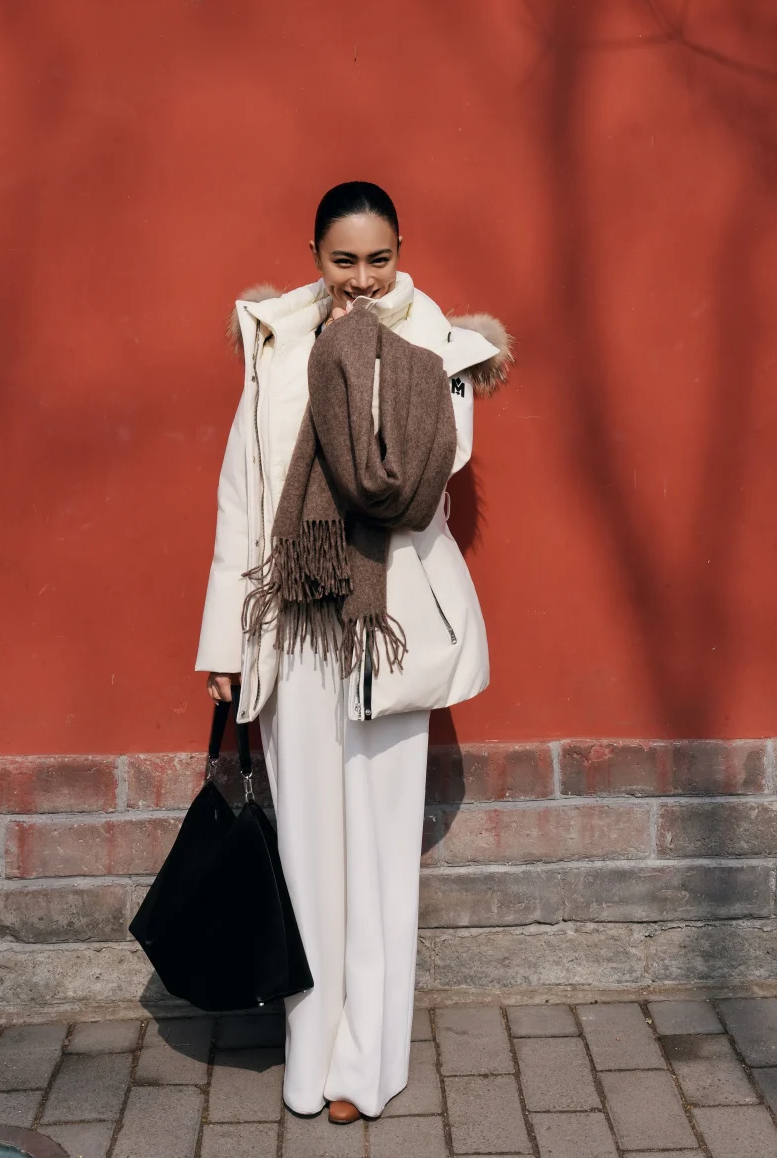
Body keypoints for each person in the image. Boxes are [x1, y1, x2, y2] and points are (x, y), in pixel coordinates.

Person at [195, 182, 511, 1123]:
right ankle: (311, 1056)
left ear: (402, 250)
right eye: (344, 260)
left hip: (386, 630)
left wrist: (355, 356)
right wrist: (224, 641)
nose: (363, 279)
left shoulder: (443, 351)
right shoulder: (273, 344)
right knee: (307, 852)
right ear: (316, 255)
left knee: (378, 856)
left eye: (379, 259)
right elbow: (243, 499)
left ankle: (365, 1067)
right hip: (294, 626)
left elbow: (409, 485)